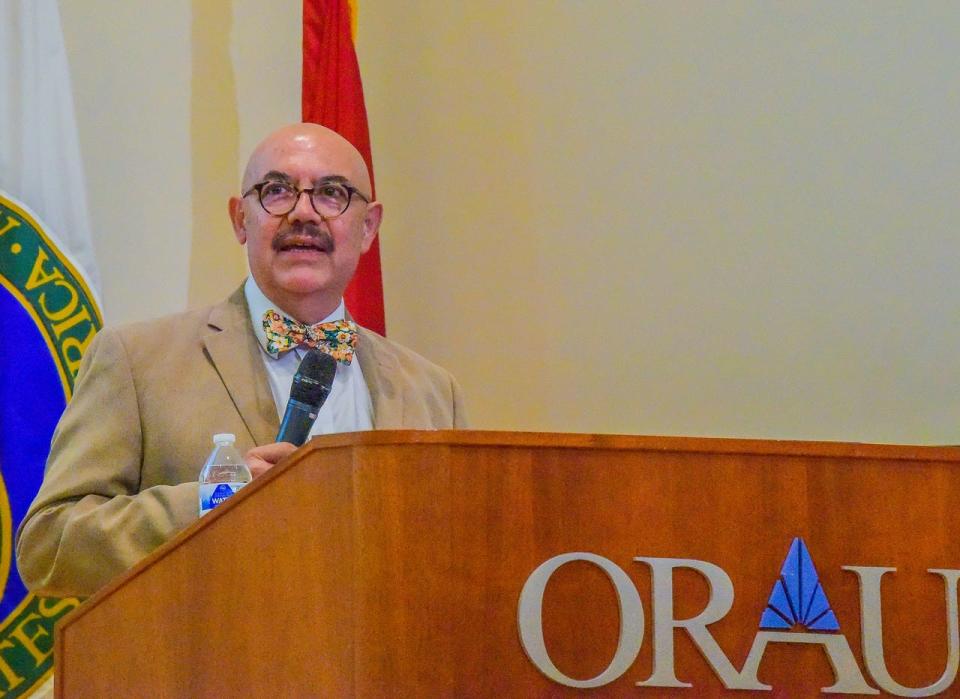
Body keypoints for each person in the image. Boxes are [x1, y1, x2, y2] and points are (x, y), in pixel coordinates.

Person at [15, 123, 467, 598]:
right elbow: (50, 547)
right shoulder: (135, 362)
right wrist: (216, 501)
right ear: (240, 220)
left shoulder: (434, 391)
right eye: (277, 191)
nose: (303, 213)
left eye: (332, 194)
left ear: (368, 226)